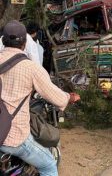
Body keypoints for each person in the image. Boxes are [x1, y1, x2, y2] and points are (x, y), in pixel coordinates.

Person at [0, 20, 80, 176]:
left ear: (3, 40)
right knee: (49, 165)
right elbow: (55, 96)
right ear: (24, 42)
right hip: (13, 136)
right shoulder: (31, 67)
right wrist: (69, 98)